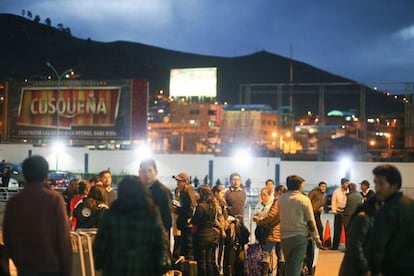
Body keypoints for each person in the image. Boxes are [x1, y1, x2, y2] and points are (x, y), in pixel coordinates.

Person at [2, 155, 72, 276]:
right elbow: (63, 238)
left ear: (24, 174)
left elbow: (7, 236)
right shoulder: (54, 199)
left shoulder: (13, 202)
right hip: (52, 267)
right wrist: (67, 269)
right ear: (46, 174)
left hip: (25, 268)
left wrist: (18, 260)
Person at [93, 175, 169, 275]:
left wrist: (99, 264)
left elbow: (100, 245)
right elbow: (162, 244)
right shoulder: (152, 214)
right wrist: (160, 268)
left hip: (115, 270)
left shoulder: (111, 213)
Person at [368, 164, 414, 275]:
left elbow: (377, 246)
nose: (377, 188)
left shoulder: (388, 210)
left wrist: (374, 270)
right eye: (375, 183)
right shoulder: (410, 204)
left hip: (392, 269)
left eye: (381, 184)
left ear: (394, 185)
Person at [278, 175, 322, 276]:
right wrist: (317, 239)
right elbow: (310, 221)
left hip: (284, 237)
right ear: (299, 185)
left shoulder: (281, 199)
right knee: (296, 267)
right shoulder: (304, 199)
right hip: (299, 236)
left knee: (289, 265)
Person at [339, 196, 380, 276]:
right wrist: (364, 268)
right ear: (376, 205)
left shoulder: (376, 220)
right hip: (356, 270)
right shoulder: (363, 219)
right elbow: (355, 246)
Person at [254, 184, 287, 276]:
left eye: (275, 192)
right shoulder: (287, 201)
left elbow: (272, 215)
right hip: (284, 231)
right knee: (281, 255)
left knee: (266, 253)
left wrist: (261, 221)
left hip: (275, 231)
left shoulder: (278, 201)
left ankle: (265, 274)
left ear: (278, 192)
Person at [138, 158, 173, 234]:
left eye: (150, 170)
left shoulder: (163, 192)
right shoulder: (136, 191)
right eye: (143, 171)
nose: (146, 174)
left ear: (156, 172)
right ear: (139, 173)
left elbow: (168, 220)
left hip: (157, 239)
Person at [191, 185, 217, 276]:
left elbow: (195, 220)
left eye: (198, 193)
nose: (196, 195)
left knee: (201, 262)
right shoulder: (212, 205)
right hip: (211, 235)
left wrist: (190, 220)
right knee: (209, 261)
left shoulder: (201, 207)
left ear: (202, 194)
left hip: (201, 236)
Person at [174, 172, 197, 260]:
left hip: (188, 225)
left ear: (186, 182)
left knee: (189, 248)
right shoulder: (183, 192)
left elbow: (193, 206)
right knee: (185, 247)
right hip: (184, 224)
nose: (178, 184)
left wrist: (190, 219)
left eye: (179, 182)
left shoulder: (188, 191)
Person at [212, 183, 228, 274]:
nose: (223, 195)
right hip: (216, 231)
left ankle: (218, 269)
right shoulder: (213, 204)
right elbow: (214, 219)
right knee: (215, 252)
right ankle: (216, 270)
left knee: (221, 252)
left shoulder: (221, 203)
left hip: (222, 231)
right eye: (221, 193)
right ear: (215, 193)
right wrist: (222, 229)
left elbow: (223, 216)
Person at [331, 177, 349, 250]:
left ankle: (347, 247)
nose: (347, 185)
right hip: (338, 212)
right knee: (337, 229)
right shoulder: (336, 191)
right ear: (342, 184)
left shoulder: (349, 192)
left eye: (348, 183)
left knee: (347, 230)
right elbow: (333, 201)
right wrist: (334, 211)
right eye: (346, 183)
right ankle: (335, 246)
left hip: (346, 213)